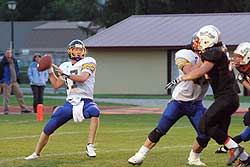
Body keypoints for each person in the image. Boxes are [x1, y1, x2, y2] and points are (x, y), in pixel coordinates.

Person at [165, 25, 250, 166]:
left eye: (199, 39)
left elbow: (200, 71)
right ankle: (245, 158)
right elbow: (200, 67)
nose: (197, 42)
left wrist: (180, 79)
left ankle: (236, 148)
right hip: (229, 98)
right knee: (218, 132)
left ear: (207, 41)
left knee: (204, 125)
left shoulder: (214, 53)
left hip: (226, 98)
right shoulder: (218, 50)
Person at [128, 42, 211, 166]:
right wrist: (206, 61)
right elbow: (190, 73)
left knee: (205, 134)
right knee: (160, 129)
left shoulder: (213, 61)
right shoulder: (185, 54)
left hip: (196, 104)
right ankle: (140, 155)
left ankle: (194, 158)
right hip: (179, 102)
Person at [24, 39, 100, 160]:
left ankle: (90, 145)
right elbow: (56, 84)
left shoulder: (89, 61)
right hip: (70, 102)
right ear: (70, 51)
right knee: (49, 127)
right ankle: (36, 153)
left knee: (95, 112)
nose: (78, 52)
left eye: (80, 50)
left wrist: (66, 74)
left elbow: (83, 78)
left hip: (86, 100)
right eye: (75, 50)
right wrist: (50, 70)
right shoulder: (65, 66)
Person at [215, 42, 250, 160]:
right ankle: (230, 148)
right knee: (247, 131)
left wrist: (242, 81)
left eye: (240, 57)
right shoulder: (244, 68)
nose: (237, 59)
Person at [0, 48, 32, 115]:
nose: (9, 54)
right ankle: (6, 110)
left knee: (20, 94)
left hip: (14, 81)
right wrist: (2, 81)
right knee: (7, 97)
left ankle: (24, 109)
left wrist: (17, 77)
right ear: (5, 54)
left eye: (10, 53)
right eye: (7, 53)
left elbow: (17, 69)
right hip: (7, 82)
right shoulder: (2, 62)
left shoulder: (14, 61)